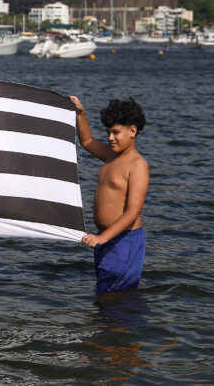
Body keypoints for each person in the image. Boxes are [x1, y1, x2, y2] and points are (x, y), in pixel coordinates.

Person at [70, 95, 150, 293]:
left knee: (115, 297)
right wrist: (80, 113)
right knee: (106, 293)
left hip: (124, 240)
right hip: (104, 238)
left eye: (116, 132)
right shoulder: (110, 155)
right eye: (108, 132)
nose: (110, 138)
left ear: (132, 131)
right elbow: (87, 141)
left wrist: (103, 238)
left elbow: (133, 211)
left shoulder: (138, 165)